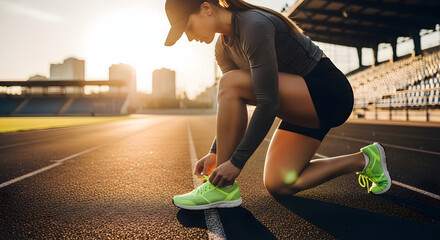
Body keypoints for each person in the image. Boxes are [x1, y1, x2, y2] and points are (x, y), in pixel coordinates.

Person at [164, 0, 391, 210]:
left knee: (230, 83)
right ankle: (365, 160)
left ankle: (221, 189)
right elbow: (234, 104)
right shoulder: (222, 48)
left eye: (188, 28)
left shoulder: (254, 25)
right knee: (279, 183)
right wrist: (216, 152)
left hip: (328, 94)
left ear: (206, 8)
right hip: (299, 107)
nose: (189, 37)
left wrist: (235, 163)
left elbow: (268, 103)